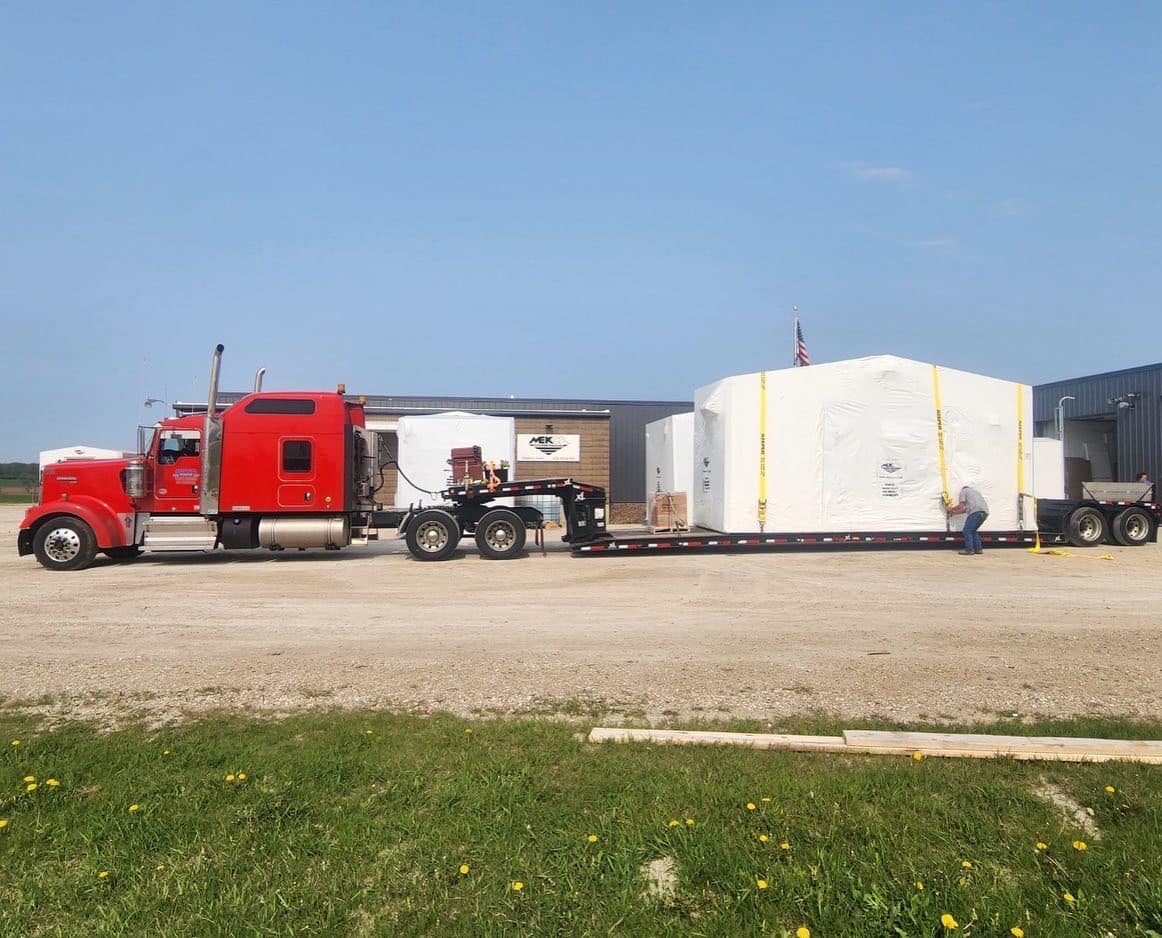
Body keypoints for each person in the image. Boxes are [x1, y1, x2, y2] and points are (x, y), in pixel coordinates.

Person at [946, 482, 989, 555]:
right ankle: (978, 549)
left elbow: (961, 505)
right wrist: (954, 512)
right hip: (984, 513)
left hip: (975, 512)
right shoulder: (976, 493)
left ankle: (969, 550)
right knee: (973, 531)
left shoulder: (964, 491)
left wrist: (951, 509)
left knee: (967, 531)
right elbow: (965, 509)